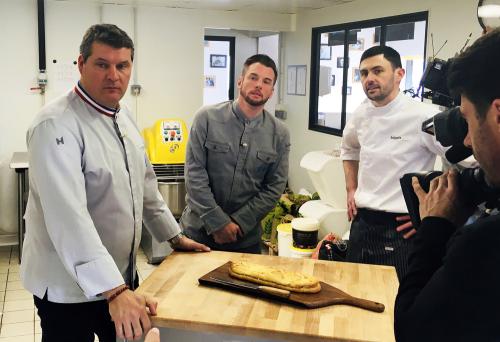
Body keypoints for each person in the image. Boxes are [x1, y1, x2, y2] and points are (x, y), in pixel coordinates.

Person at [21, 24, 209, 342]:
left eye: (122, 65)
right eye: (102, 64)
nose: (113, 75)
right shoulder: (55, 125)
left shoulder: (123, 116)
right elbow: (69, 219)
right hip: (67, 290)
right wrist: (115, 290)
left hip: (118, 278)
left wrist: (174, 236)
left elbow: (146, 187)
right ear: (81, 64)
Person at [395, 28, 500, 341]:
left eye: (467, 120)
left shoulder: (484, 244)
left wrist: (436, 228)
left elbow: (413, 331)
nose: (467, 140)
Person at [340, 45, 448, 280]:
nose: (370, 78)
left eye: (378, 71)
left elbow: (461, 162)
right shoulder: (361, 114)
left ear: (399, 74)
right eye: (364, 73)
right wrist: (351, 189)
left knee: (394, 306)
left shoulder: (423, 116)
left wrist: (429, 213)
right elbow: (349, 149)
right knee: (355, 295)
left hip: (401, 229)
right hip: (362, 224)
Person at [180, 54, 290, 254]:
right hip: (197, 234)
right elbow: (194, 175)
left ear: (272, 91)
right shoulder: (206, 118)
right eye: (253, 77)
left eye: (267, 82)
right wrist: (218, 223)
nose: (259, 85)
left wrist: (237, 223)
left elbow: (274, 187)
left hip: (244, 240)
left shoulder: (280, 134)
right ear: (240, 81)